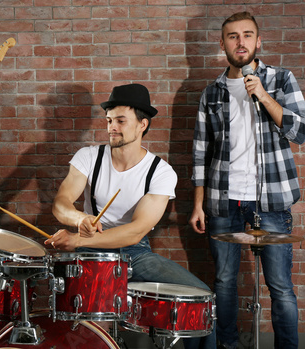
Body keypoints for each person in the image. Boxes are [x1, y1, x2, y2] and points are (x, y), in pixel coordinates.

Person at [45, 83, 216, 349]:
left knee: (199, 299)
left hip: (135, 251)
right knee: (89, 329)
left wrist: (77, 240)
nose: (112, 127)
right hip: (92, 252)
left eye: (121, 121)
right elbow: (61, 203)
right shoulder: (89, 157)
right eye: (109, 120)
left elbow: (137, 230)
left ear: (142, 125)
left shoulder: (160, 172)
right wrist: (80, 220)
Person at [189, 12, 305, 349]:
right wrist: (198, 204)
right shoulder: (211, 93)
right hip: (222, 202)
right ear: (223, 43)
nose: (240, 42)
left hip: (270, 201)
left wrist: (263, 95)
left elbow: (301, 131)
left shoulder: (280, 79)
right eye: (232, 36)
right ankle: (228, 345)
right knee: (224, 282)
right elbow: (200, 153)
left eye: (247, 35)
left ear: (259, 41)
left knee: (280, 286)